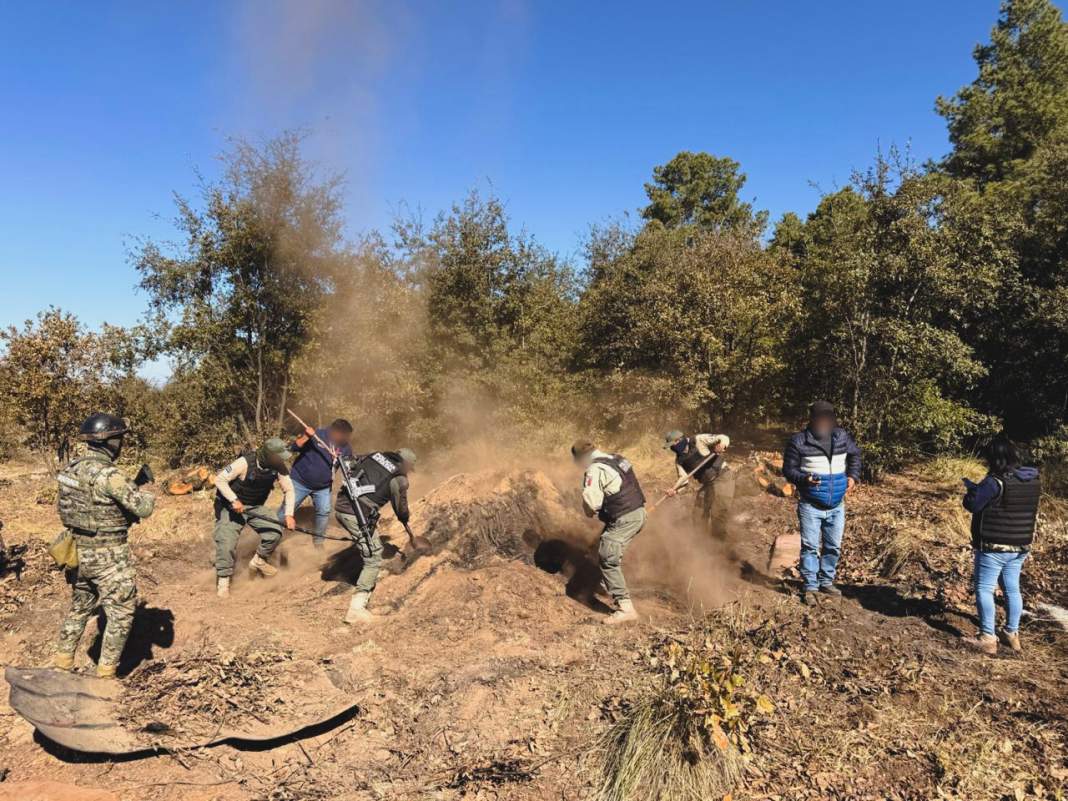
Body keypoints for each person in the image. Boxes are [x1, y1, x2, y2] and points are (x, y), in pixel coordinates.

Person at [53, 413, 155, 678]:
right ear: (109, 441)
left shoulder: (71, 470)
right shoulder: (110, 475)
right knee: (121, 612)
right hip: (109, 556)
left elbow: (83, 506)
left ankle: (62, 665)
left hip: (78, 553)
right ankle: (106, 675)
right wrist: (146, 494)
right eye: (119, 439)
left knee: (80, 608)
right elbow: (143, 509)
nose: (120, 444)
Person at [963, 434, 1041, 655]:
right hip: (1021, 545)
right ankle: (1011, 633)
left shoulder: (993, 482)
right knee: (1012, 588)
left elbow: (973, 505)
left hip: (994, 545)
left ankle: (987, 637)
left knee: (984, 588)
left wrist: (972, 490)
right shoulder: (1033, 480)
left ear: (994, 458)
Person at [782, 401, 861, 605]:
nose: (824, 422)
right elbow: (788, 470)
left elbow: (855, 455)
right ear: (812, 419)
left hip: (837, 506)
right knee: (810, 547)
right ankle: (810, 586)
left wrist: (853, 476)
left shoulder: (841, 437)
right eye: (820, 418)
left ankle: (826, 581)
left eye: (828, 418)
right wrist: (804, 478)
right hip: (810, 505)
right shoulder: (799, 441)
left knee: (833, 547)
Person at [335, 448, 417, 624]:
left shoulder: (375, 456)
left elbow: (350, 462)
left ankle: (365, 580)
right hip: (355, 514)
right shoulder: (399, 479)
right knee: (373, 557)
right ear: (406, 464)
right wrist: (404, 518)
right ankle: (356, 610)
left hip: (342, 505)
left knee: (371, 545)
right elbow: (400, 507)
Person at [572, 441, 647, 624]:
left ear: (581, 458)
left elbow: (592, 504)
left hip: (625, 517)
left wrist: (588, 510)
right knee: (599, 546)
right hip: (637, 512)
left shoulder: (594, 469)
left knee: (608, 557)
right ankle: (605, 584)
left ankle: (626, 608)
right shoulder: (616, 458)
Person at [212, 438, 296, 598]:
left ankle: (258, 560)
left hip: (254, 506)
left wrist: (289, 514)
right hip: (230, 506)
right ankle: (223, 581)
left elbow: (289, 490)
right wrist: (234, 500)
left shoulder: (278, 467)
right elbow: (220, 479)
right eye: (278, 457)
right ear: (268, 455)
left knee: (275, 532)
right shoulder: (244, 462)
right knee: (227, 542)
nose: (281, 461)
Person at [283, 418, 353, 548]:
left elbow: (348, 467)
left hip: (323, 487)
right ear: (335, 431)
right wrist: (306, 436)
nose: (345, 438)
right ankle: (271, 535)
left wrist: (342, 462)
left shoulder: (346, 448)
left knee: (324, 511)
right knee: (286, 510)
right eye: (344, 435)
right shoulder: (317, 435)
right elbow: (293, 448)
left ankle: (318, 542)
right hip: (300, 481)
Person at [664, 430, 735, 537]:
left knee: (718, 514)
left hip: (722, 477)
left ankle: (719, 543)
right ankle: (701, 542)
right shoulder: (679, 460)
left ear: (679, 440)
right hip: (707, 484)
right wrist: (674, 490)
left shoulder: (698, 440)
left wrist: (722, 445)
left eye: (672, 445)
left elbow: (724, 437)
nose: (672, 448)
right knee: (698, 514)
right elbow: (683, 479)